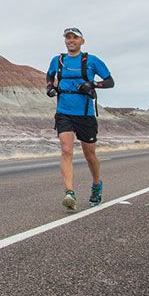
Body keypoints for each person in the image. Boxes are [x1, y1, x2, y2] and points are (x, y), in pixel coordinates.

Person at [46, 28, 114, 210]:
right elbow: (50, 75)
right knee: (66, 150)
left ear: (82, 41)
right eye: (67, 38)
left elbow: (110, 81)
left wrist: (93, 84)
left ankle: (96, 185)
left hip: (85, 114)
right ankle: (69, 193)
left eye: (74, 37)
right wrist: (49, 87)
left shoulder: (92, 61)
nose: (70, 41)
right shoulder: (58, 60)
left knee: (89, 155)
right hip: (63, 112)